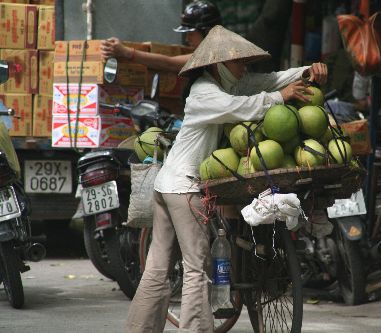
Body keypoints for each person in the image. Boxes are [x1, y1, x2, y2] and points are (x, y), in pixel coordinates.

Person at [125, 25, 327, 333]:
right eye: (237, 61)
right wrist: (279, 98)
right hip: (183, 188)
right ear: (218, 63)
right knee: (195, 269)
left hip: (166, 186)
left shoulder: (230, 83)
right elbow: (239, 108)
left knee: (156, 269)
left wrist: (307, 71)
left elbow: (270, 80)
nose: (243, 67)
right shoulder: (204, 91)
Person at [100, 0, 222, 71]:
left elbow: (169, 63)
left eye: (190, 33)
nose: (187, 39)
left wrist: (126, 52)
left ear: (208, 32)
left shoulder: (217, 56)